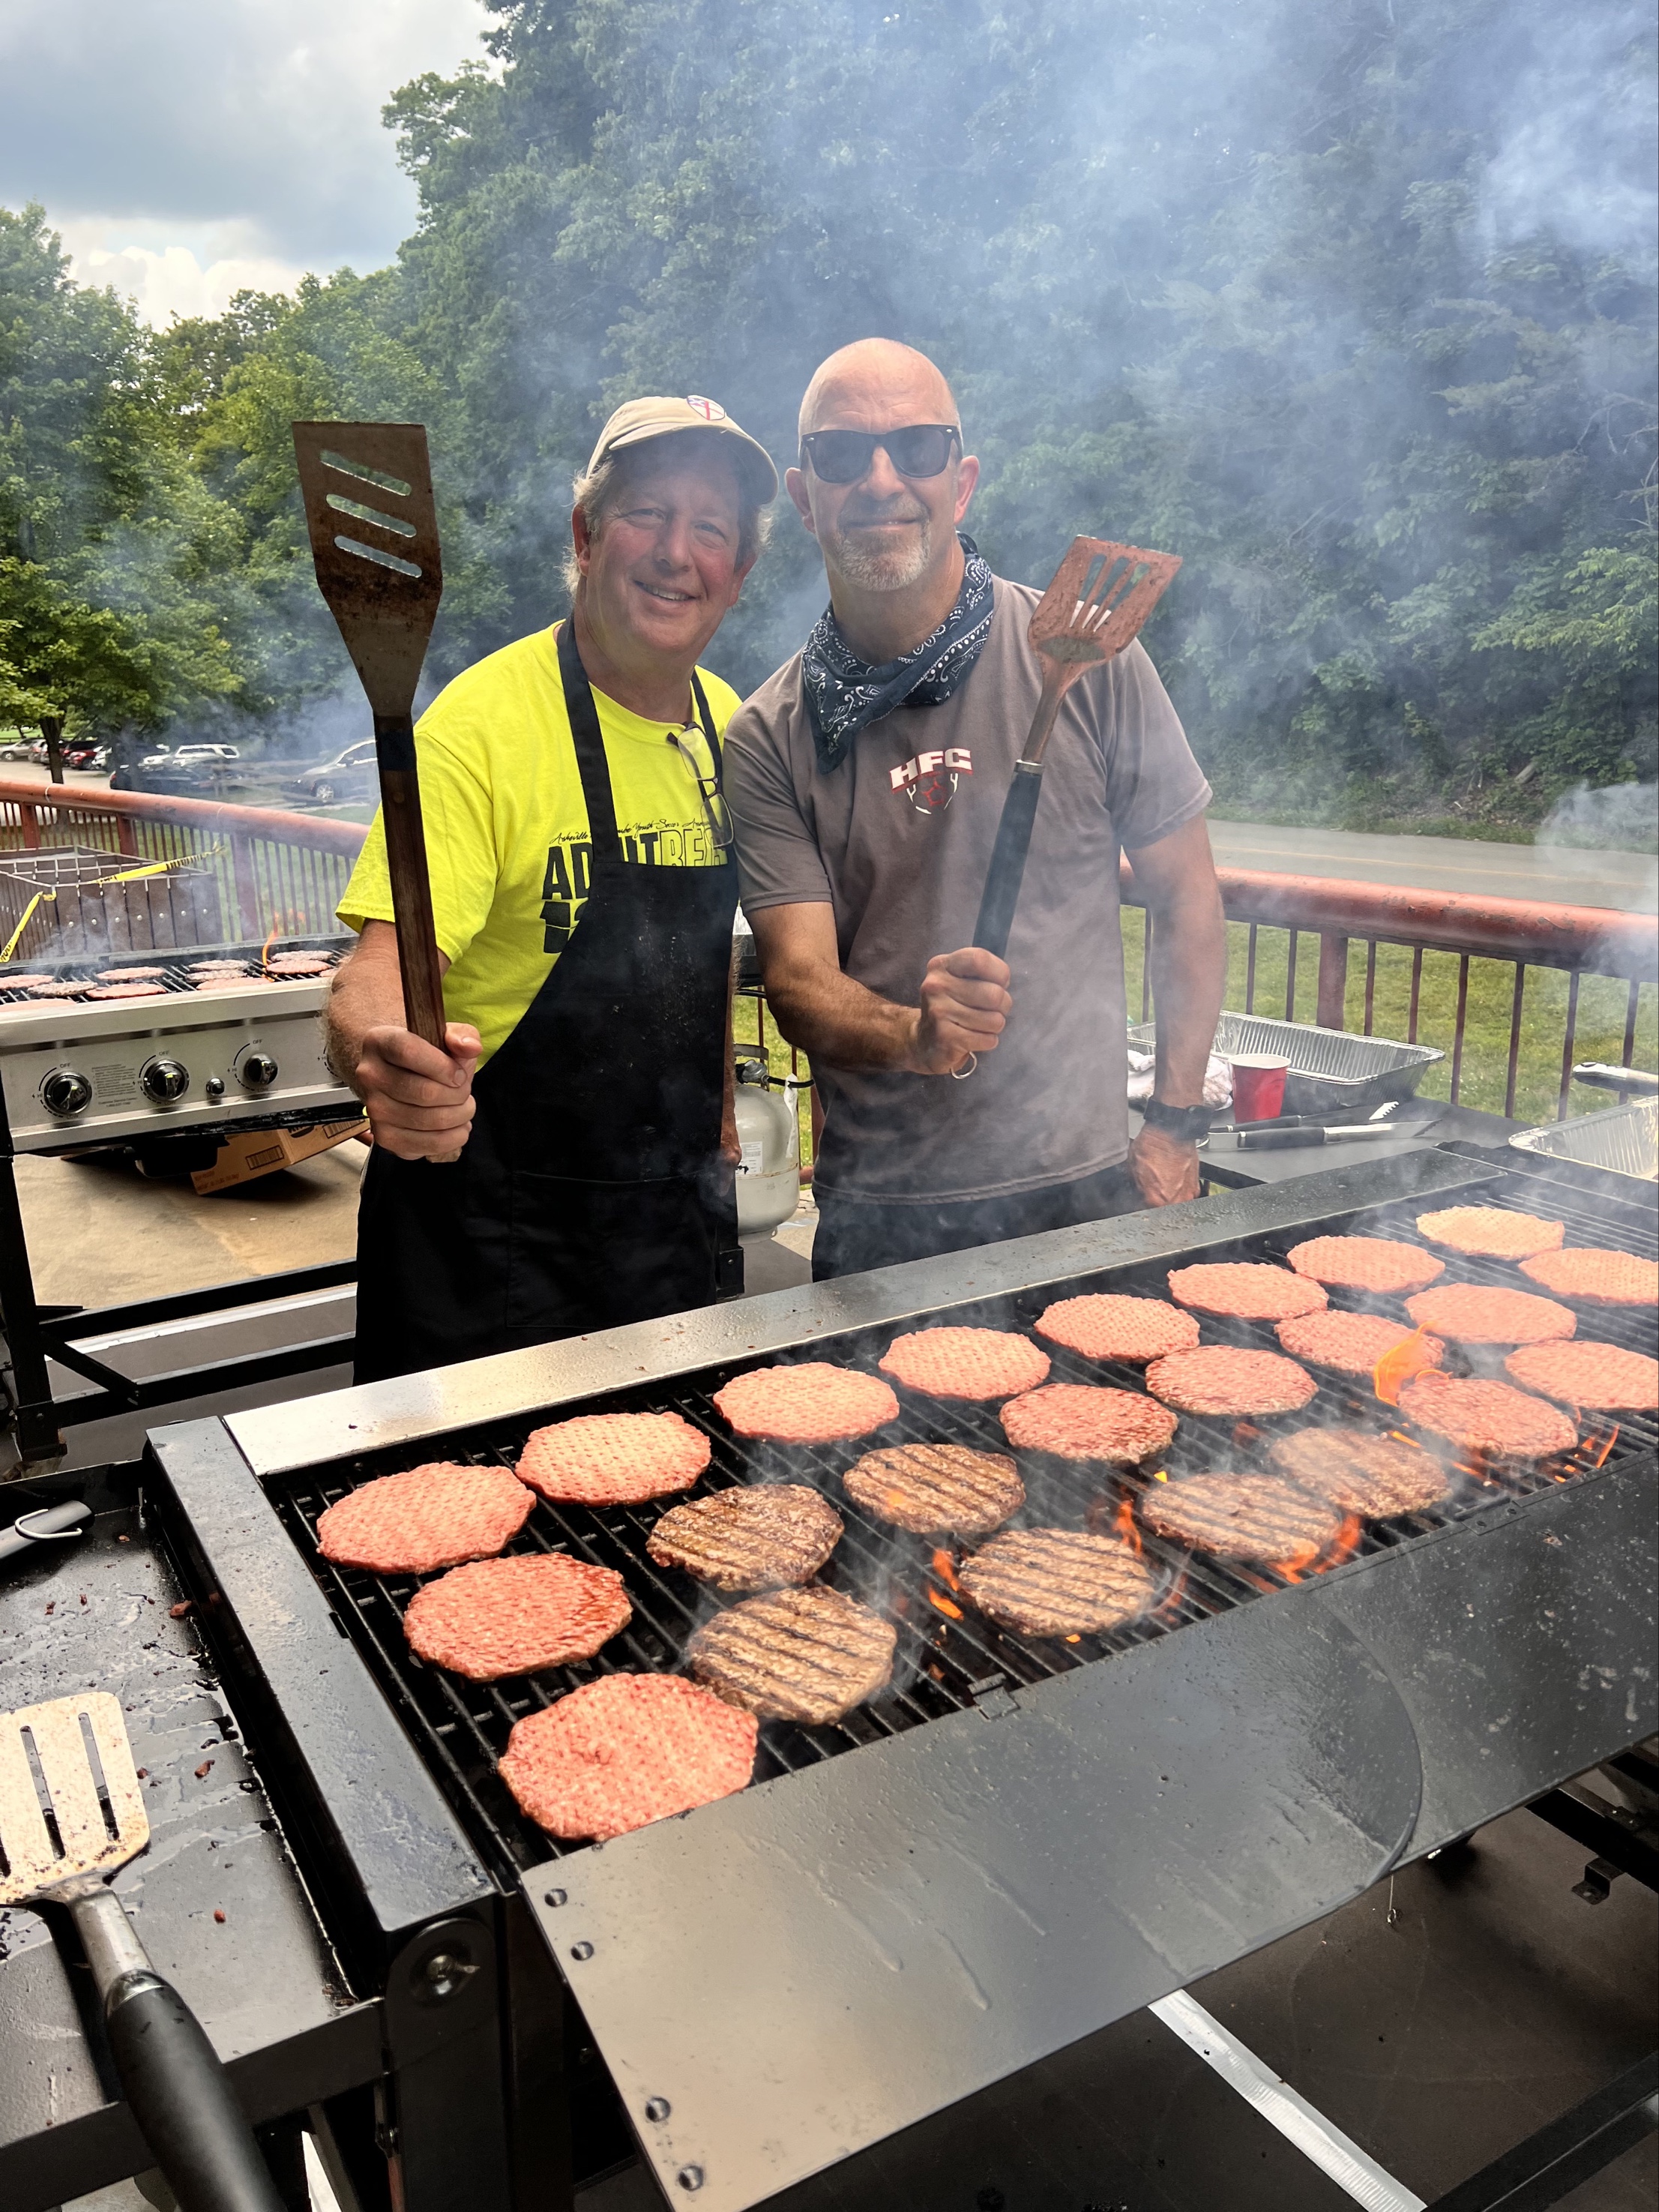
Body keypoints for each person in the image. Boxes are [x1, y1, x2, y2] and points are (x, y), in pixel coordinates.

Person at [723, 339, 1226, 1281]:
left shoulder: (1087, 660)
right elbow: (797, 980)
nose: (881, 479)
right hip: (880, 1211)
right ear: (803, 497)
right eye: (843, 454)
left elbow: (1186, 897)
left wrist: (1171, 1121)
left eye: (916, 447)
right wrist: (913, 1036)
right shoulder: (767, 734)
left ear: (961, 483)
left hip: (1080, 1192)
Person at [328, 395, 777, 1381]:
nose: (676, 552)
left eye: (710, 529)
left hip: (668, 1229)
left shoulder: (725, 724)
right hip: (490, 1244)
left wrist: (720, 1106)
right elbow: (375, 974)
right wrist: (386, 1062)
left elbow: (698, 952)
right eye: (647, 513)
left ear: (738, 573)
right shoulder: (478, 729)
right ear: (585, 535)